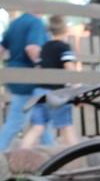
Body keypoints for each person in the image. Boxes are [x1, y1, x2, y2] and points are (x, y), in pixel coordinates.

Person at [0, 0, 55, 151]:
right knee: (18, 120)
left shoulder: (15, 23)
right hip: (31, 79)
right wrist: (44, 67)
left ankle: (52, 151)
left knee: (42, 120)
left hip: (15, 77)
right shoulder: (36, 23)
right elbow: (32, 48)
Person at [19, 15, 79, 149]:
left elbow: (39, 67)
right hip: (56, 93)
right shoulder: (64, 47)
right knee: (66, 127)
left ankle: (21, 154)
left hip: (39, 92)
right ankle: (79, 157)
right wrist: (77, 86)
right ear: (65, 29)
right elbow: (69, 67)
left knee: (37, 127)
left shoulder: (44, 47)